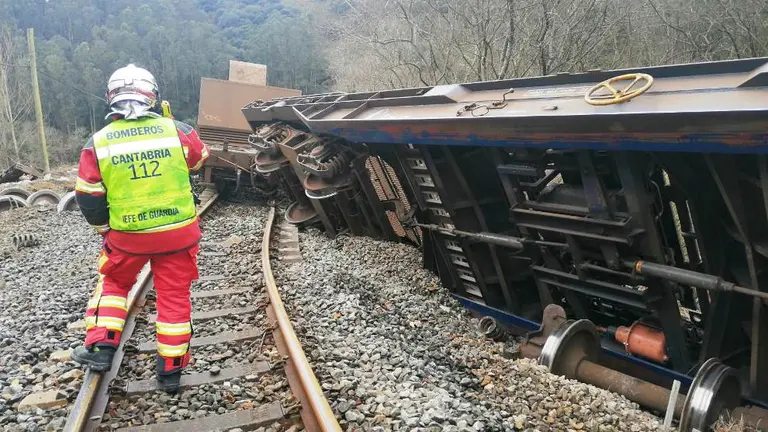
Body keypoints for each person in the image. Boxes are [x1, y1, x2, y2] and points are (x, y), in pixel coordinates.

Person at [71, 64, 209, 393]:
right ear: (153, 96)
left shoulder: (98, 142)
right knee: (174, 298)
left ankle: (101, 350)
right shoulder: (177, 130)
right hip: (177, 235)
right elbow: (200, 158)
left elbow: (87, 195)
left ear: (111, 98)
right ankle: (171, 373)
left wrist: (105, 230)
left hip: (127, 239)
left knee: (115, 284)